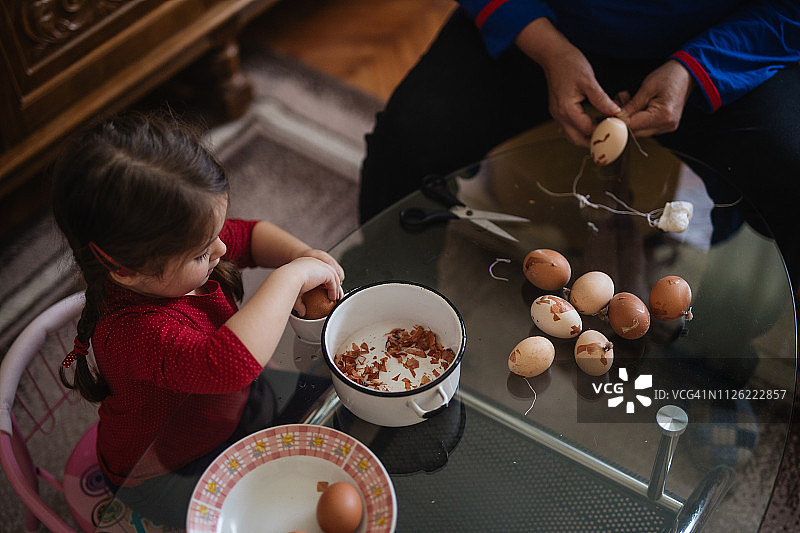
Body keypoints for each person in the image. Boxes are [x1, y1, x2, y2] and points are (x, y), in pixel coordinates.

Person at [359, 1, 800, 282]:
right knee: (409, 139)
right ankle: (383, 293)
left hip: (725, 35)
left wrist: (696, 69)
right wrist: (548, 48)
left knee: (787, 170)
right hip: (547, 19)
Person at [51, 111, 345, 527]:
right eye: (201, 252)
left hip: (232, 410)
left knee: (343, 401)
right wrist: (291, 276)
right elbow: (228, 364)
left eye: (217, 232)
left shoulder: (188, 250)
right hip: (165, 470)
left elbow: (253, 235)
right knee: (265, 516)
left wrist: (301, 254)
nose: (223, 248)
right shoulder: (131, 331)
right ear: (126, 271)